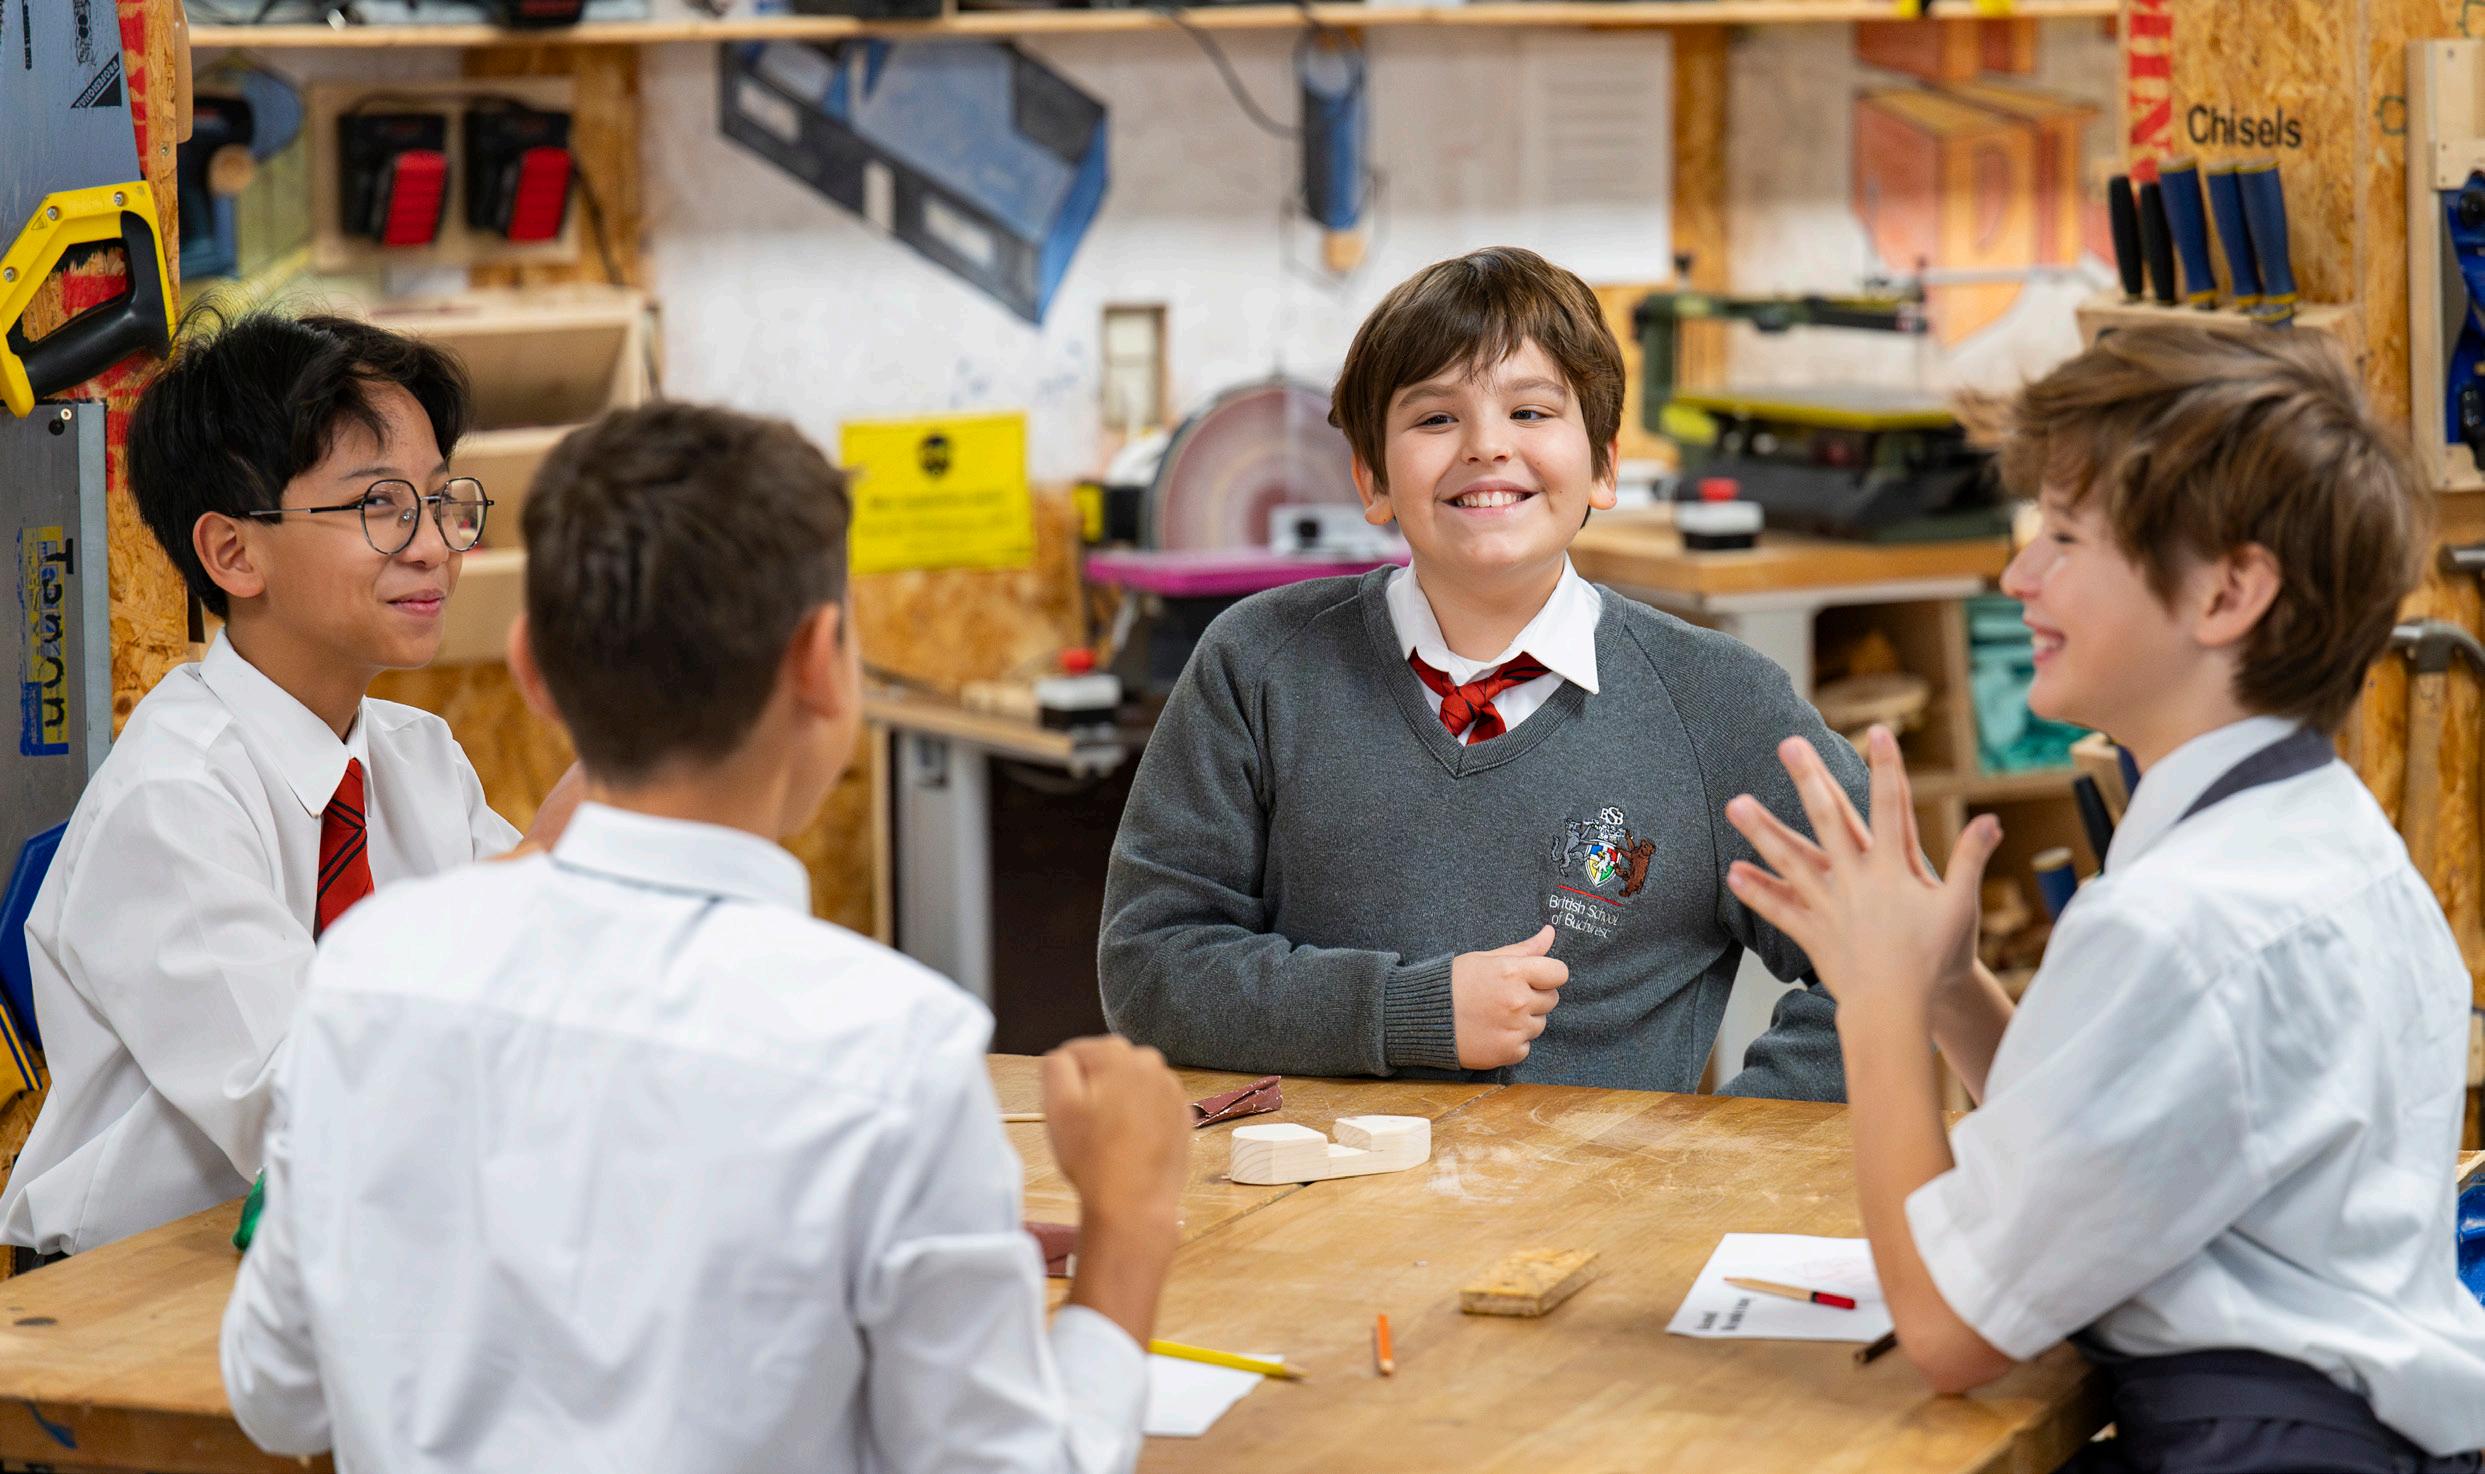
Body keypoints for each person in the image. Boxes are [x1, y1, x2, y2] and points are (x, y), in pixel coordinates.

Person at [221, 401, 1192, 1472]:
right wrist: (1127, 1226)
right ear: (820, 663)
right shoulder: (891, 1052)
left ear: (533, 671)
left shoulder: (365, 975)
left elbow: (278, 1397)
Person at [1722, 325, 2485, 1467]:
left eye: (2065, 537)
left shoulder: (2180, 921)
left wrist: (1875, 1003)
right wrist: (1947, 983)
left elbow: (1948, 1328)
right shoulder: (2329, 840)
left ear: (2228, 591)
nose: (2016, 575)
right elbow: (2107, 1137)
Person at [1101, 246, 1866, 1096]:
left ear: (1603, 465)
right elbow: (1149, 966)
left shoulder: (1720, 707)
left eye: (1530, 411)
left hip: (1599, 1189)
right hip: (1307, 1180)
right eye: (1435, 419)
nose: (1486, 447)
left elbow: (1894, 961)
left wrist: (1719, 1155)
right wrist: (1406, 1011)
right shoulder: (1257, 666)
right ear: (1371, 477)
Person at [1, 310, 579, 1261]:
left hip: (336, 1242)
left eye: (441, 499)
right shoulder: (173, 798)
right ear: (234, 553)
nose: (433, 545)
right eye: (380, 505)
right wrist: (560, 847)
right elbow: (312, 1102)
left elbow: (534, 988)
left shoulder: (417, 757)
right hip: (132, 1285)